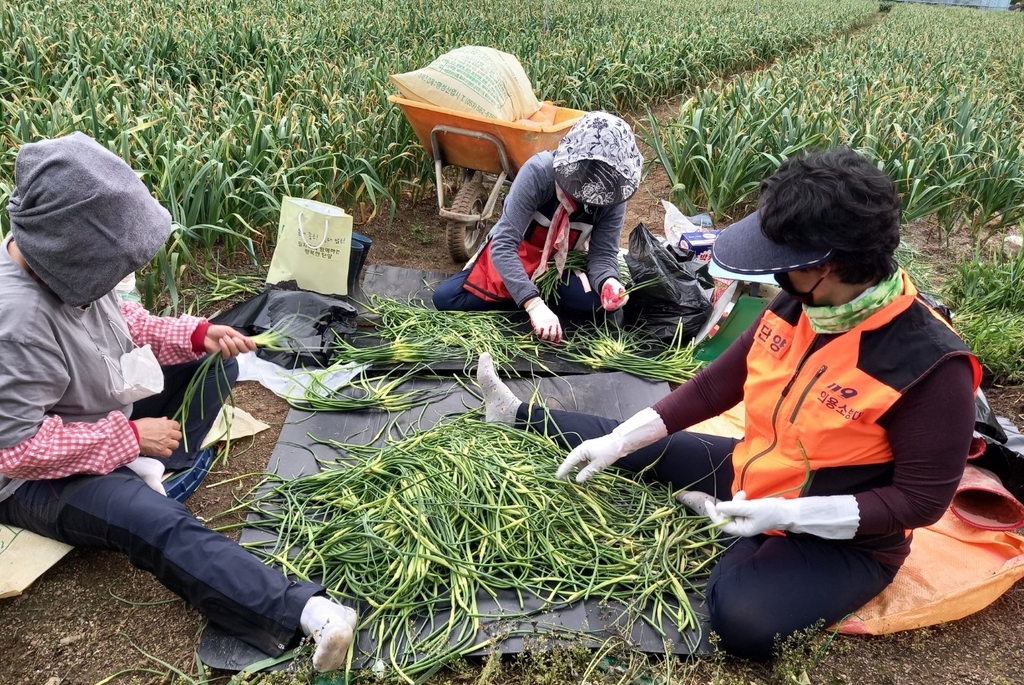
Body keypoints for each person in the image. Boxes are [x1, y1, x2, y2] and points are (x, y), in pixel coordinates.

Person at [475, 147, 981, 661]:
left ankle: (721, 519)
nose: (776, 280)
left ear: (827, 266)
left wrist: (786, 514)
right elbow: (715, 388)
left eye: (785, 267)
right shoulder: (799, 304)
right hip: (753, 472)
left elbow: (919, 503)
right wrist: (623, 439)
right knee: (637, 446)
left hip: (845, 536)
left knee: (742, 620)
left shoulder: (932, 367)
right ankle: (516, 413)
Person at [0, 133, 357, 672]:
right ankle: (306, 612)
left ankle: (151, 470)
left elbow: (125, 324)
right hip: (32, 479)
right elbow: (17, 449)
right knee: (151, 521)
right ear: (73, 248)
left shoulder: (58, 259)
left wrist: (197, 336)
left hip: (94, 417)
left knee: (218, 363)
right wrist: (127, 438)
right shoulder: (16, 321)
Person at [431, 111, 644, 343]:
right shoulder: (539, 174)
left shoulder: (612, 196)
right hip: (517, 256)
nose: (595, 188)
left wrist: (608, 282)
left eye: (605, 178)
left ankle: (528, 293)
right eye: (589, 173)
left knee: (598, 306)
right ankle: (526, 293)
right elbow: (503, 245)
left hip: (558, 266)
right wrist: (533, 304)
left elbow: (602, 255)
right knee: (447, 299)